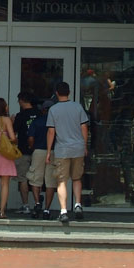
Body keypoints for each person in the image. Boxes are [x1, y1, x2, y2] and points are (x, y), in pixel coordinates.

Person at [46, 81, 89, 223]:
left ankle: (63, 211)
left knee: (61, 180)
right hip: (78, 148)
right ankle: (78, 204)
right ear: (69, 92)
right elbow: (84, 127)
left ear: (56, 93)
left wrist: (48, 151)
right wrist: (84, 146)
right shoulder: (78, 107)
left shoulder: (53, 110)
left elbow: (51, 132)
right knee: (77, 178)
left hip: (62, 149)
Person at [28, 95, 58, 218]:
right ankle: (47, 209)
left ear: (43, 110)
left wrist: (32, 148)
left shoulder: (37, 121)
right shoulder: (57, 123)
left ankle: (37, 203)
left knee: (35, 179)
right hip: (54, 151)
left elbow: (31, 138)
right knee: (50, 182)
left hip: (39, 151)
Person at [13, 92, 40, 214]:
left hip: (23, 149)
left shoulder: (20, 116)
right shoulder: (39, 114)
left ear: (22, 100)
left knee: (23, 178)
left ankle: (26, 205)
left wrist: (12, 121)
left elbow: (13, 132)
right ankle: (37, 203)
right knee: (36, 178)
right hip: (38, 149)